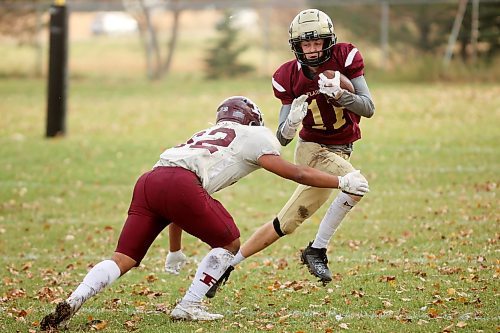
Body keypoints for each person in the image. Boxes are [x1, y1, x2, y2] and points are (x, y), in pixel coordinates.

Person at [40, 96, 369, 329]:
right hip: (180, 185)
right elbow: (293, 172)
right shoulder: (252, 134)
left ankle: (75, 299)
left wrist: (175, 250)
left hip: (150, 181)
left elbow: (174, 195)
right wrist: (341, 179)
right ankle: (189, 305)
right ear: (252, 120)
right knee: (229, 242)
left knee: (123, 257)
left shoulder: (201, 138)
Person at [205, 8, 375, 297]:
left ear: (328, 42)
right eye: (305, 45)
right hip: (312, 151)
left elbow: (368, 108)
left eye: (317, 43)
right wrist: (292, 123)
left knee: (286, 222)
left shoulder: (345, 58)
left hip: (340, 150)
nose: (311, 50)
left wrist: (342, 96)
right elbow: (283, 139)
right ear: (297, 47)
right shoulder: (288, 76)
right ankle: (318, 249)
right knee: (355, 185)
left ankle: (227, 266)